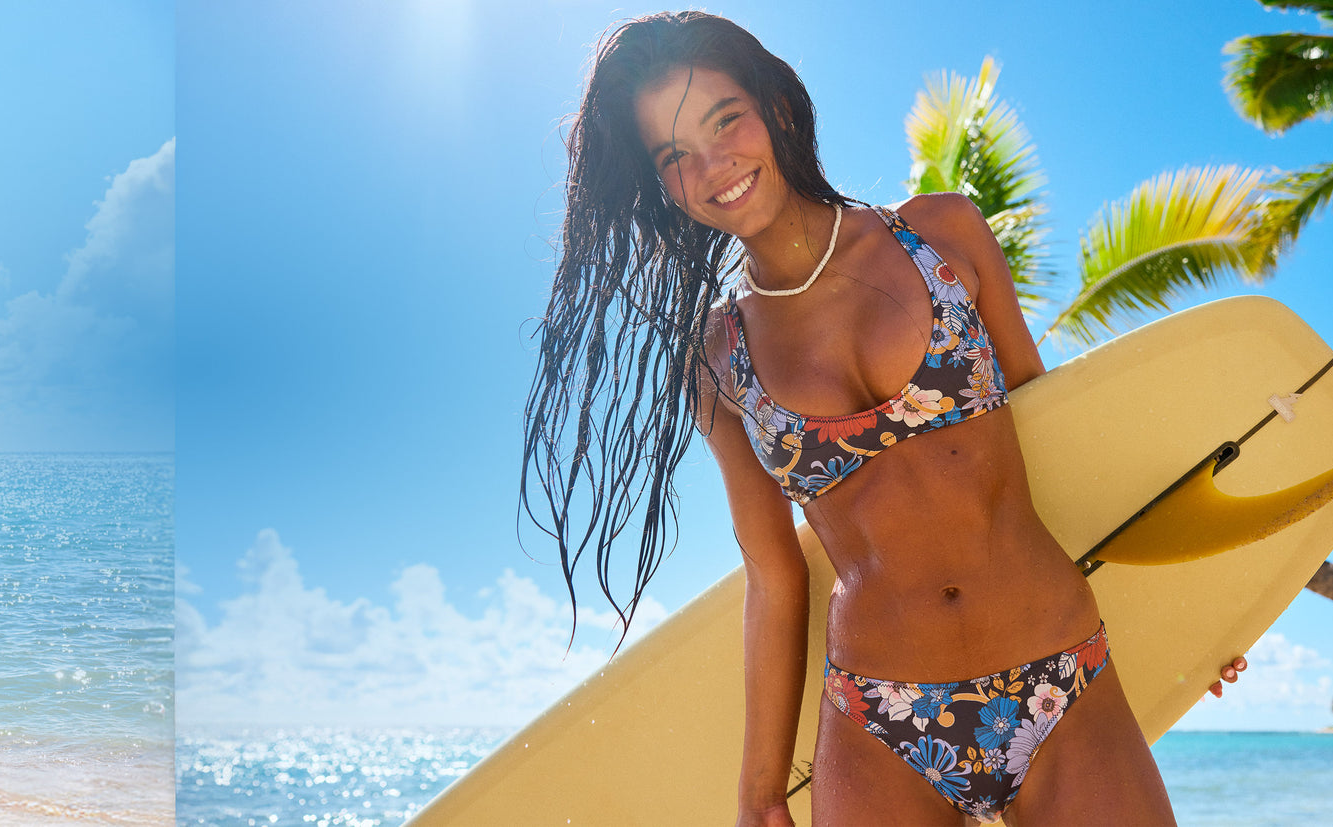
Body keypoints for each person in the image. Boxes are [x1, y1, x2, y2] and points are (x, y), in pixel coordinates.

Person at [520, 12, 1244, 825]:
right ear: (664, 189)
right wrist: (759, 792)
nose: (713, 163)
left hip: (1060, 675)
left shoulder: (943, 234)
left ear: (777, 111)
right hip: (879, 720)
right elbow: (773, 574)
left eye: (725, 121)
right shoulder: (718, 358)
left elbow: (1056, 438)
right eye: (675, 157)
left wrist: (1196, 613)